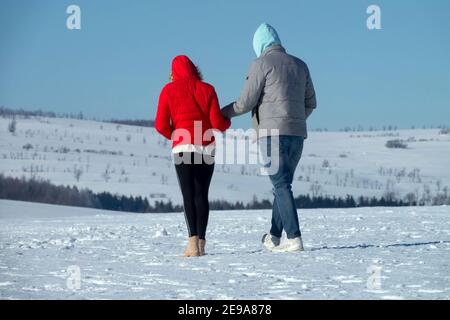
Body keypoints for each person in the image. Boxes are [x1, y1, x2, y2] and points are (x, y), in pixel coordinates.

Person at [221, 23, 317, 252]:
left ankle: (294, 237)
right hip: (297, 134)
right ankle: (274, 236)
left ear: (259, 45)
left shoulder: (261, 64)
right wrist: (293, 119)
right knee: (282, 185)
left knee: (281, 184)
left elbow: (245, 102)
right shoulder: (300, 65)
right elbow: (311, 103)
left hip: (271, 134)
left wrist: (222, 113)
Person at [155, 55, 230, 257]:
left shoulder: (167, 90)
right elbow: (217, 123)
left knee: (188, 195)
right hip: (206, 147)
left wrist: (174, 134)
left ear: (173, 72)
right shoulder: (208, 89)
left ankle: (192, 244)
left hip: (182, 146)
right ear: (194, 70)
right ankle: (202, 245)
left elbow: (160, 124)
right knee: (201, 195)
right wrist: (227, 122)